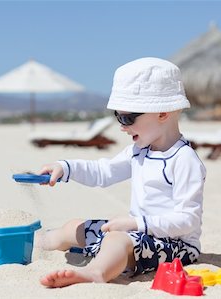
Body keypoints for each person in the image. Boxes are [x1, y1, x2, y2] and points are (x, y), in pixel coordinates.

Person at [35, 57, 206, 288]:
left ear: (163, 113)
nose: (122, 126)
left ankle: (95, 272)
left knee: (117, 239)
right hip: (137, 233)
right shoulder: (140, 151)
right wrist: (66, 168)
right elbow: (103, 172)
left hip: (177, 246)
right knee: (74, 227)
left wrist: (137, 223)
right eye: (118, 116)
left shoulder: (184, 159)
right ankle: (35, 243)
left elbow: (188, 219)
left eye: (128, 118)